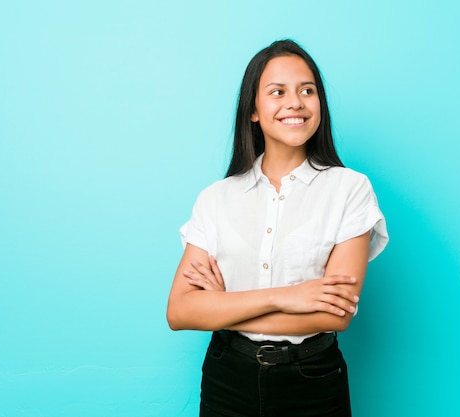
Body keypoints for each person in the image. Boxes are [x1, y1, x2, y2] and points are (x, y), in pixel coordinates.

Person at [166, 39, 388, 417]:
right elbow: (181, 312)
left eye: (307, 90)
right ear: (253, 110)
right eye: (277, 92)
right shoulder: (216, 198)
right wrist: (285, 296)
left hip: (312, 380)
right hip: (227, 378)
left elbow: (336, 315)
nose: (296, 102)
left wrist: (223, 307)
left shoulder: (350, 189)